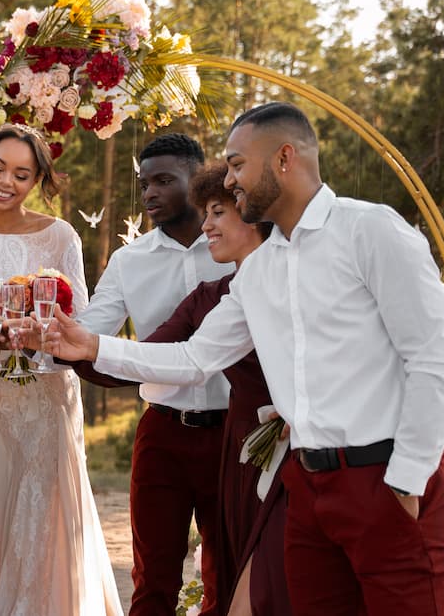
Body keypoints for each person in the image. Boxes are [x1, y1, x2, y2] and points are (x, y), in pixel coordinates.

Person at [42, 102, 444, 615]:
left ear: (284, 158)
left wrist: (408, 477)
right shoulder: (257, 272)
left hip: (387, 479)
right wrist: (93, 346)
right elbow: (196, 359)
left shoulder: (371, 230)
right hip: (308, 491)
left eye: (238, 164)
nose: (230, 180)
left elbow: (434, 361)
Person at [72, 161, 289, 614]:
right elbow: (173, 358)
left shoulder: (294, 276)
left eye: (217, 212)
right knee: (159, 575)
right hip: (204, 441)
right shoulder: (217, 297)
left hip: (267, 448)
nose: (208, 224)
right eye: (205, 213)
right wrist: (71, 347)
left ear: (250, 211)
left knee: (242, 578)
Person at [0, 124, 123, 615]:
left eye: (22, 174)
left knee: (50, 494)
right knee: (6, 492)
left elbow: (79, 312)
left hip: (52, 389)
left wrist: (42, 326)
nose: (6, 182)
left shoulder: (60, 234)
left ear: (37, 180)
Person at [75, 133, 233, 616]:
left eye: (165, 181)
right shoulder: (129, 261)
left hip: (234, 434)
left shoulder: (239, 248)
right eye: (144, 184)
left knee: (227, 573)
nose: (149, 194)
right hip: (161, 434)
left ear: (200, 180)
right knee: (153, 576)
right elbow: (87, 337)